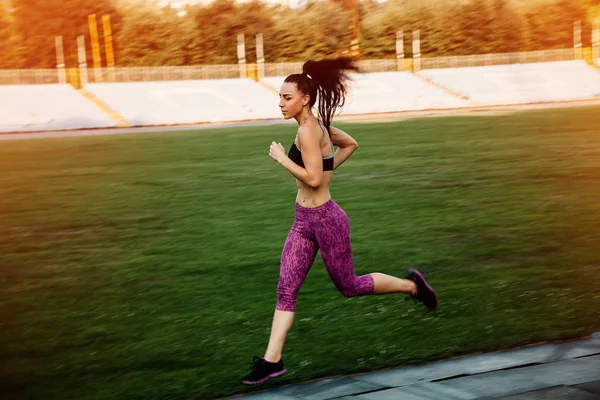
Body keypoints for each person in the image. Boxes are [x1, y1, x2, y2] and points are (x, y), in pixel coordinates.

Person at [241, 58, 438, 386]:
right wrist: (326, 168)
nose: (280, 102)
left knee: (349, 286)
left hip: (327, 221)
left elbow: (315, 180)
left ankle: (413, 286)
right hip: (303, 221)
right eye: (279, 96)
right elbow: (350, 145)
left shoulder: (308, 130)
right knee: (286, 288)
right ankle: (271, 361)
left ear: (304, 99)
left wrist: (282, 160)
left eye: (286, 97)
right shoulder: (317, 126)